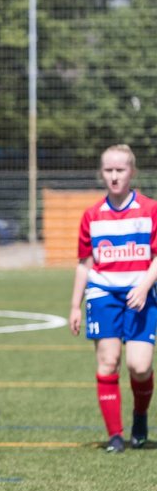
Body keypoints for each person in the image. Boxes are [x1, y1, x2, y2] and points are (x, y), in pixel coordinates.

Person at [69, 144, 157, 452]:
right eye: (109, 170)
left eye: (120, 170)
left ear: (132, 172)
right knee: (108, 363)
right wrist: (74, 306)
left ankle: (140, 416)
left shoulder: (149, 209)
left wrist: (145, 285)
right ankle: (115, 436)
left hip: (141, 295)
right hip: (103, 294)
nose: (114, 176)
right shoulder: (92, 215)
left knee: (140, 366)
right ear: (101, 173)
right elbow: (84, 264)